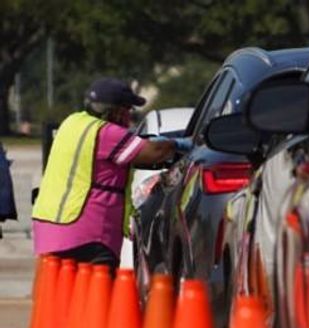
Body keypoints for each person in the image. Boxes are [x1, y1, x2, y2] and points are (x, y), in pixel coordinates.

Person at [30, 78, 191, 274]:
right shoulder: (105, 133)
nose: (129, 117)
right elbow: (154, 152)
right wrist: (179, 144)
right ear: (114, 110)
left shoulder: (72, 123)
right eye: (127, 110)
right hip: (87, 233)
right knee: (98, 294)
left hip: (50, 229)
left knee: (60, 295)